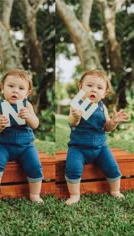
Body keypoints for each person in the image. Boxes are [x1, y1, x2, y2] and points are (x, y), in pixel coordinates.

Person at [65, 69, 129, 205]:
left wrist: (114, 122)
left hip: (100, 147)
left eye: (99, 88)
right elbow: (71, 122)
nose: (94, 90)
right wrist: (76, 117)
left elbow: (107, 128)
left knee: (112, 167)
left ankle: (115, 190)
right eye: (89, 85)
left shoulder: (102, 108)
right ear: (80, 86)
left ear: (105, 93)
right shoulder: (77, 105)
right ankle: (75, 195)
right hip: (78, 148)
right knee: (73, 168)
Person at [0, 69, 44, 203]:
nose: (15, 91)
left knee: (35, 165)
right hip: (3, 145)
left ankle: (35, 194)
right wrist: (0, 124)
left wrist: (28, 116)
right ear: (2, 88)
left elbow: (35, 124)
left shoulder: (27, 105)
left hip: (26, 146)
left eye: (21, 88)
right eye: (11, 86)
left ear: (27, 93)